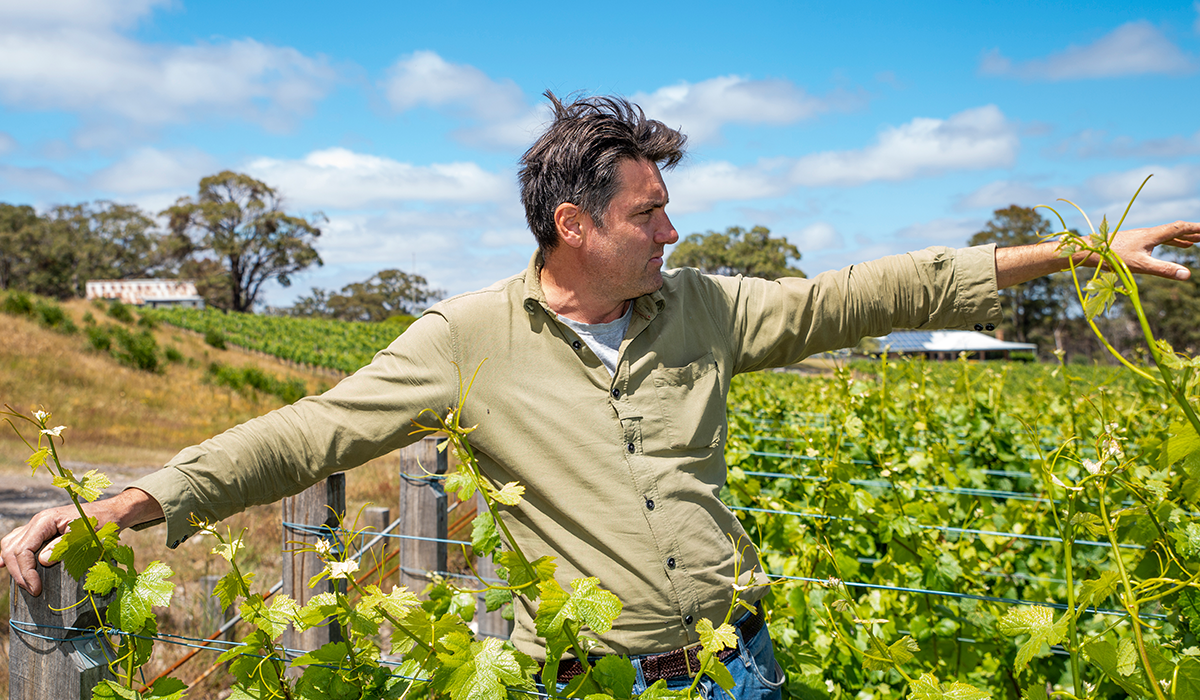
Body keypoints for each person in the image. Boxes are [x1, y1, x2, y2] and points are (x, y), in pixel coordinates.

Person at [3, 92, 1199, 700]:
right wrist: (131, 502)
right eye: (648, 213)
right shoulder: (464, 340)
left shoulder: (711, 310)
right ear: (574, 225)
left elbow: (870, 291)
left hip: (742, 663)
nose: (673, 229)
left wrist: (1075, 252)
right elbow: (304, 433)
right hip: (587, 681)